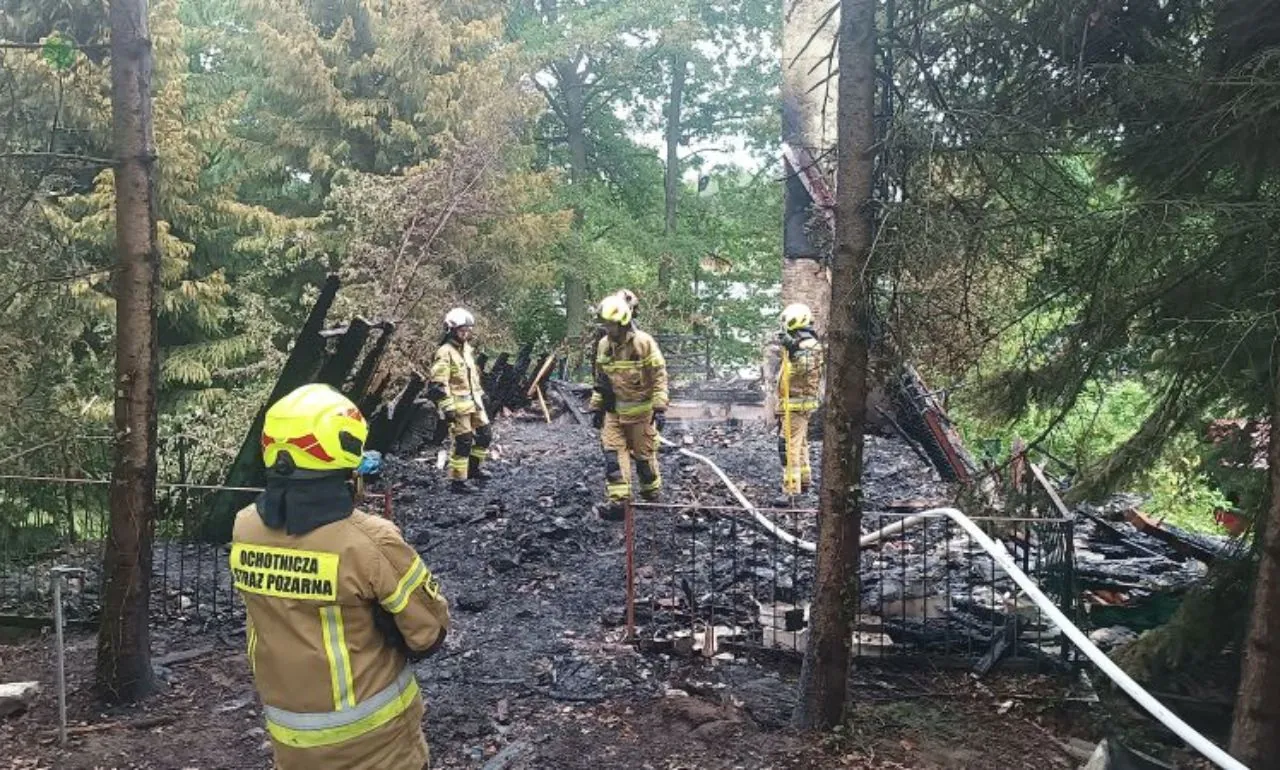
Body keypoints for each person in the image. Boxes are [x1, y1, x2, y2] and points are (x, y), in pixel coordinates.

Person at [231, 383, 450, 770]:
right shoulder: (368, 540)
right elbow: (428, 634)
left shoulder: (244, 528)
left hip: (290, 737)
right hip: (378, 743)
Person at [588, 293, 669, 520]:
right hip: (613, 413)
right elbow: (601, 380)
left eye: (610, 324)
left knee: (644, 461)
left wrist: (659, 407)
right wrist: (596, 407)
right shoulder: (604, 346)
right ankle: (619, 504)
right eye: (605, 324)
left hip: (641, 414)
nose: (607, 328)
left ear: (623, 322)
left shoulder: (643, 343)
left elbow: (659, 376)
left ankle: (652, 495)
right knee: (613, 458)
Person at [427, 307, 492, 494]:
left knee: (485, 436)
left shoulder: (467, 350)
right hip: (458, 407)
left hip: (475, 403)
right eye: (462, 330)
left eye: (468, 330)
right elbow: (438, 384)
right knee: (463, 442)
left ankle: (474, 470)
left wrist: (482, 395)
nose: (466, 334)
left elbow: (472, 378)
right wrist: (447, 408)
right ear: (451, 330)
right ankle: (458, 482)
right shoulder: (445, 352)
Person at [775, 302, 824, 498]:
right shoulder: (803, 342)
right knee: (799, 442)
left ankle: (790, 489)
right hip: (794, 403)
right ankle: (803, 481)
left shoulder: (808, 344)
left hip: (797, 404)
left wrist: (793, 350)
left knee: (788, 446)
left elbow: (805, 368)